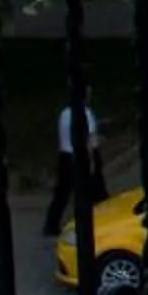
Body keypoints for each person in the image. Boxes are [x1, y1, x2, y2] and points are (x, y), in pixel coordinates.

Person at [44, 99, 106, 238]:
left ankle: (51, 223)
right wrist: (92, 163)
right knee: (98, 192)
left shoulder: (64, 114)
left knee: (62, 191)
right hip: (81, 155)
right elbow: (89, 138)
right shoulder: (85, 113)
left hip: (65, 155)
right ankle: (102, 222)